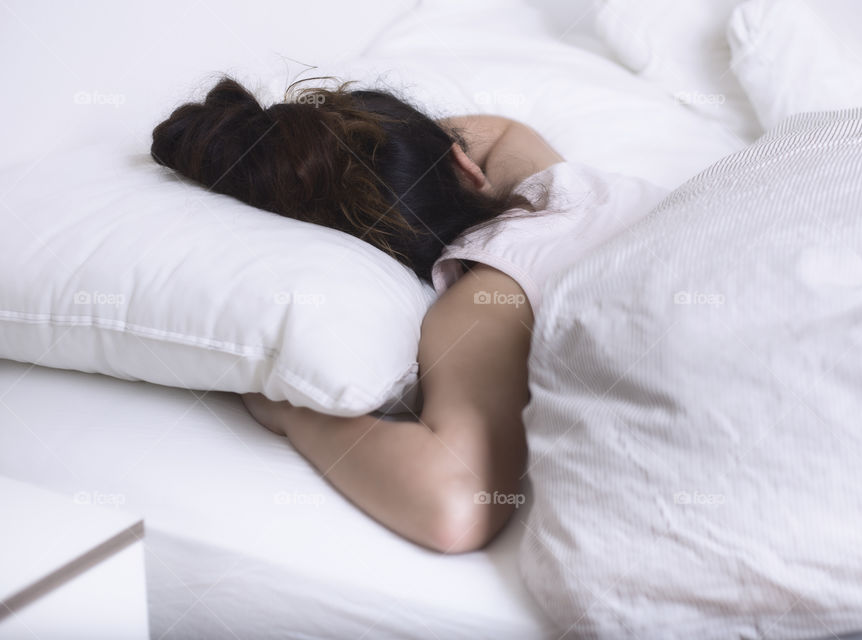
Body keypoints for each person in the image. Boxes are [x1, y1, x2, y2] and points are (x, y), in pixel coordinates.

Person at [151, 76, 665, 553]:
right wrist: (377, 148)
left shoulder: (488, 299)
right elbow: (457, 507)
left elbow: (459, 509)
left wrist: (293, 414)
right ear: (463, 165)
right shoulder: (559, 190)